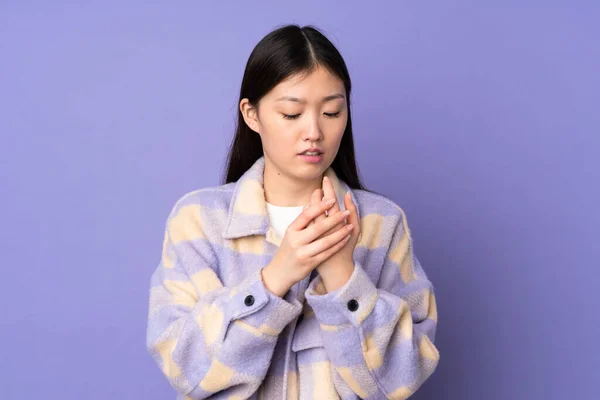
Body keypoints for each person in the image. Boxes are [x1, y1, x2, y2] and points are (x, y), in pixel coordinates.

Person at [146, 24, 439, 400]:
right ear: (252, 115)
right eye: (291, 114)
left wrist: (343, 276)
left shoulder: (382, 223)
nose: (314, 131)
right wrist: (275, 277)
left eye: (332, 112)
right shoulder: (199, 221)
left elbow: (400, 378)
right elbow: (189, 373)